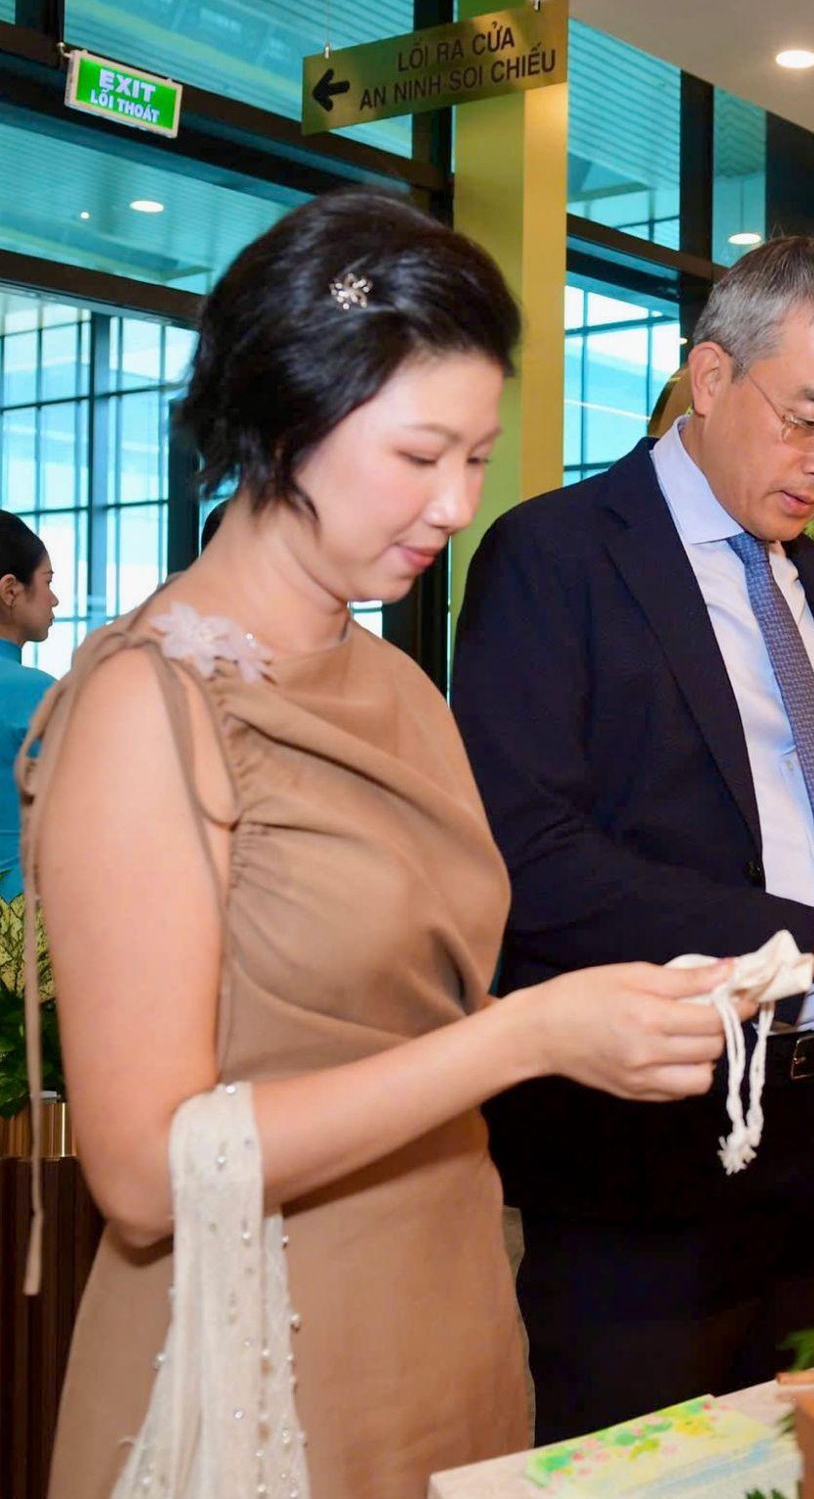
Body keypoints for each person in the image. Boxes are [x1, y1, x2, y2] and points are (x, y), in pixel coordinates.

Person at [25, 191, 753, 1498]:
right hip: (263, 1363)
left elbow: (431, 996)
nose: (459, 503)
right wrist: (528, 1037)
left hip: (453, 1308)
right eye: (421, 456)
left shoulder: (398, 683)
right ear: (286, 418)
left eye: (475, 458)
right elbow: (139, 1172)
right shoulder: (148, 707)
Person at [451, 235, 814, 1439]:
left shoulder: (807, 577)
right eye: (808, 420)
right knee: (635, 1457)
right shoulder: (552, 557)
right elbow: (530, 857)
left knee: (806, 1451)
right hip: (647, 1128)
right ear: (709, 377)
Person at [0, 510, 58, 897]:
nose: (54, 599)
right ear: (10, 591)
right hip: (21, 927)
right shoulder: (37, 694)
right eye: (47, 581)